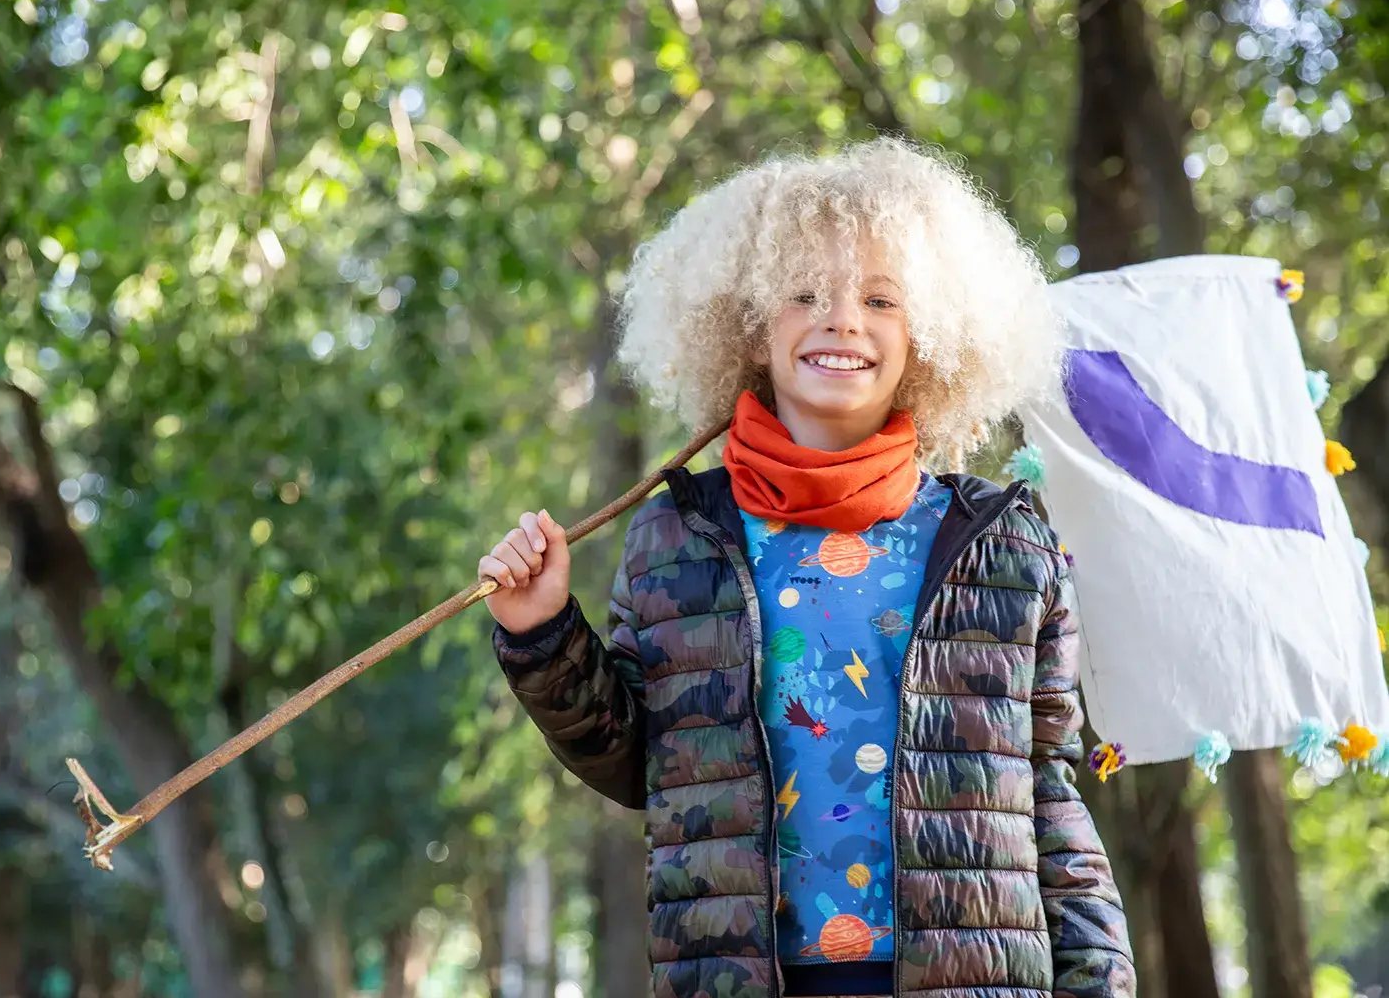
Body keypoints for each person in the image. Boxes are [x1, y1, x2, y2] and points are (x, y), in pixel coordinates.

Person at [480, 137, 1135, 998]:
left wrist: (1101, 980)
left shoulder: (1004, 541)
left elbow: (1047, 795)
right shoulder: (676, 533)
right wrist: (543, 632)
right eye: (804, 293)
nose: (843, 320)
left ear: (929, 334)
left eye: (880, 299)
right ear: (750, 324)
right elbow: (649, 766)